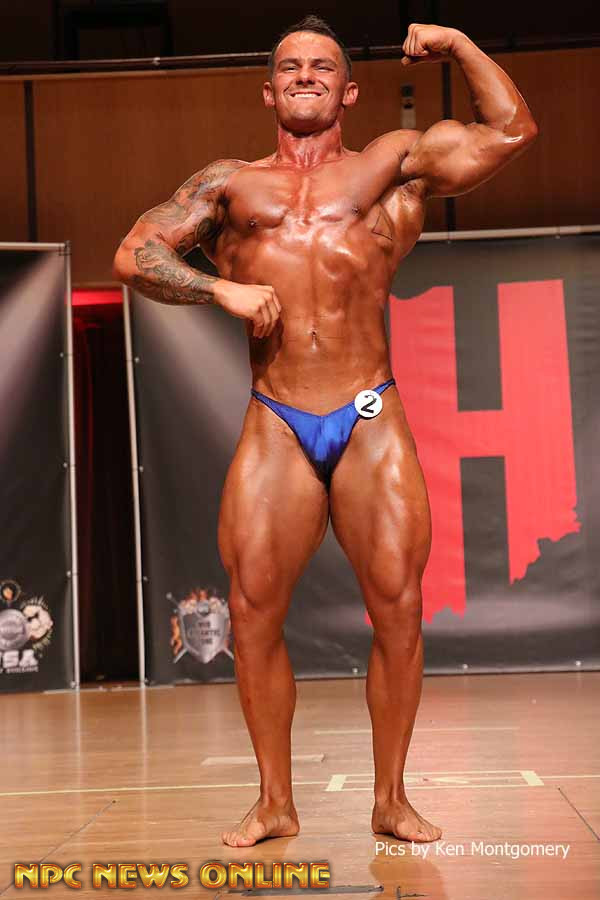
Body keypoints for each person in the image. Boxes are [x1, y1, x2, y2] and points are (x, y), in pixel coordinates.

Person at [113, 16, 537, 847]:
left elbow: (513, 129)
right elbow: (134, 253)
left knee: (399, 607)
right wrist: (218, 290)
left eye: (322, 67)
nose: (305, 75)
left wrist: (457, 44)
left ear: (348, 90)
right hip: (277, 416)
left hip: (369, 411)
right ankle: (275, 800)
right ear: (268, 91)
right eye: (289, 67)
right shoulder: (230, 185)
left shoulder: (391, 166)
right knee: (251, 611)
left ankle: (391, 799)